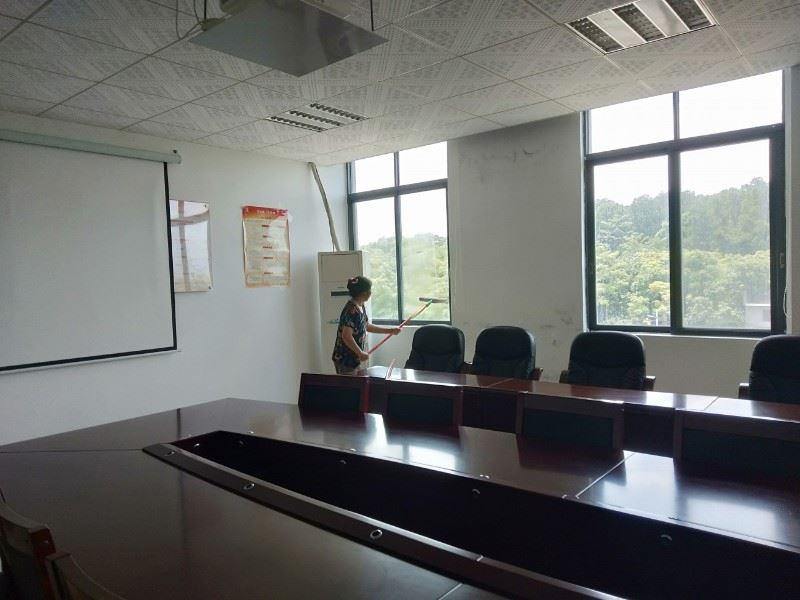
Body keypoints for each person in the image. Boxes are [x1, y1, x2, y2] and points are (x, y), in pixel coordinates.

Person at [332, 275, 400, 375]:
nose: (370, 293)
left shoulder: (361, 305)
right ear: (363, 293)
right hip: (344, 359)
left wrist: (390, 331)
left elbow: (366, 326)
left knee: (357, 382)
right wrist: (360, 352)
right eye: (369, 290)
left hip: (353, 358)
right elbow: (346, 336)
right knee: (350, 384)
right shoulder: (351, 310)